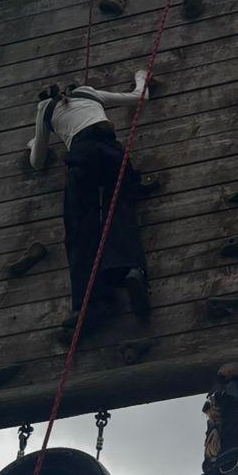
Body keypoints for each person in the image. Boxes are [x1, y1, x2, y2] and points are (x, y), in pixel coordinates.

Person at [28, 67, 152, 329]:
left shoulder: (45, 108)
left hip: (82, 155)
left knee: (79, 227)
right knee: (119, 208)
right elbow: (139, 97)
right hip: (111, 149)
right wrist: (141, 76)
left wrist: (32, 144)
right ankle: (132, 270)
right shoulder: (89, 92)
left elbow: (37, 162)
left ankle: (93, 302)